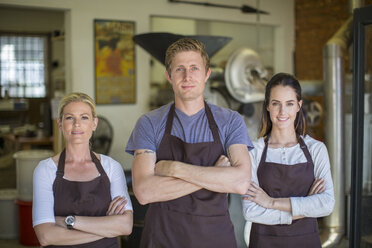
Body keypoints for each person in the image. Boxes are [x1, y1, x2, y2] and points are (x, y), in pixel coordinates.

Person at [125, 38, 253, 248]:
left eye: (194, 68)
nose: (187, 76)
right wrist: (214, 174)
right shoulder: (149, 123)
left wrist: (174, 168)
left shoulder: (230, 121)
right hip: (162, 238)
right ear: (169, 76)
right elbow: (144, 192)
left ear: (207, 74)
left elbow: (240, 183)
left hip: (214, 238)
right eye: (179, 69)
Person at [242, 73, 335, 247]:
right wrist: (306, 206)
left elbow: (327, 204)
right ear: (268, 106)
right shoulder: (254, 151)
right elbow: (251, 212)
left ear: (299, 106)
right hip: (264, 242)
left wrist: (271, 202)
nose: (282, 112)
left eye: (289, 104)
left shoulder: (316, 149)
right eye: (276, 103)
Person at [33, 92, 133, 247]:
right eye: (69, 117)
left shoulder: (112, 167)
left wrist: (69, 221)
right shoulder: (45, 170)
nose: (77, 124)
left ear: (94, 123)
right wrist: (107, 227)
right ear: (60, 123)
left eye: (84, 117)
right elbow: (46, 236)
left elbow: (125, 226)